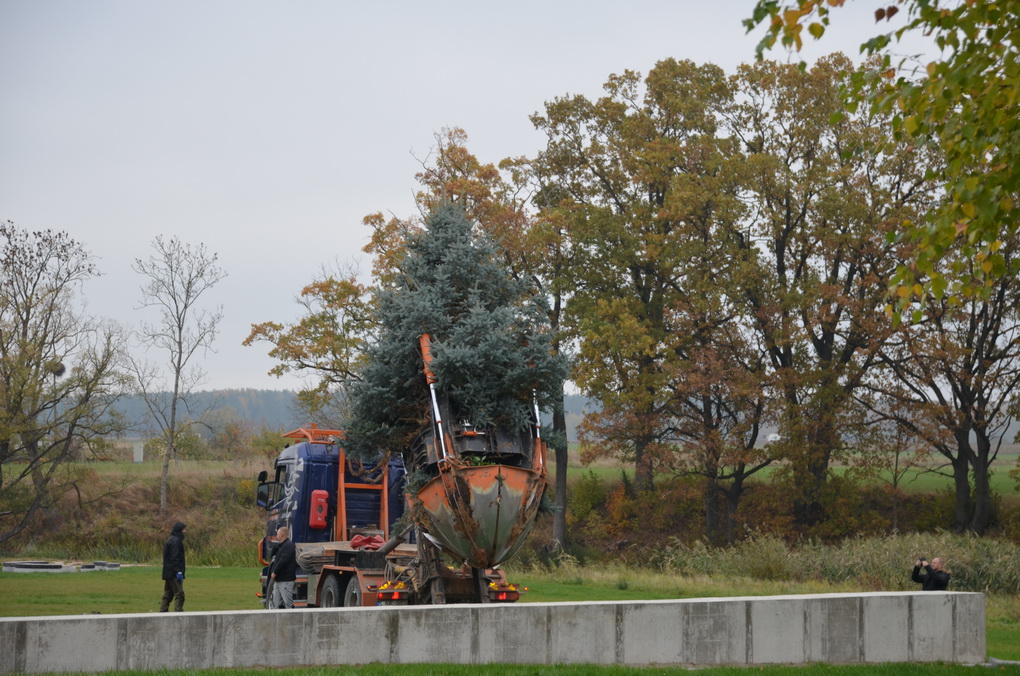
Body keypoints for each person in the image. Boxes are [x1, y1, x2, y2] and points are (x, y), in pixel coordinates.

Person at [159, 522, 187, 611]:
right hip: (174, 572)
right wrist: (178, 571)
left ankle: (163, 611)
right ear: (179, 530)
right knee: (179, 593)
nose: (185, 531)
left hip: (168, 572)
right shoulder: (176, 541)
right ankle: (178, 611)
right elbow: (175, 558)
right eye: (183, 529)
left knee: (168, 593)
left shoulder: (170, 539)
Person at [270, 525, 297, 609]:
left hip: (286, 579)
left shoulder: (289, 546)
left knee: (287, 602)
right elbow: (274, 558)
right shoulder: (281, 546)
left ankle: (292, 618)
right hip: (278, 579)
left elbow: (283, 560)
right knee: (276, 602)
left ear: (281, 535)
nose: (276, 536)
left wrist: (275, 572)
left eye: (277, 534)